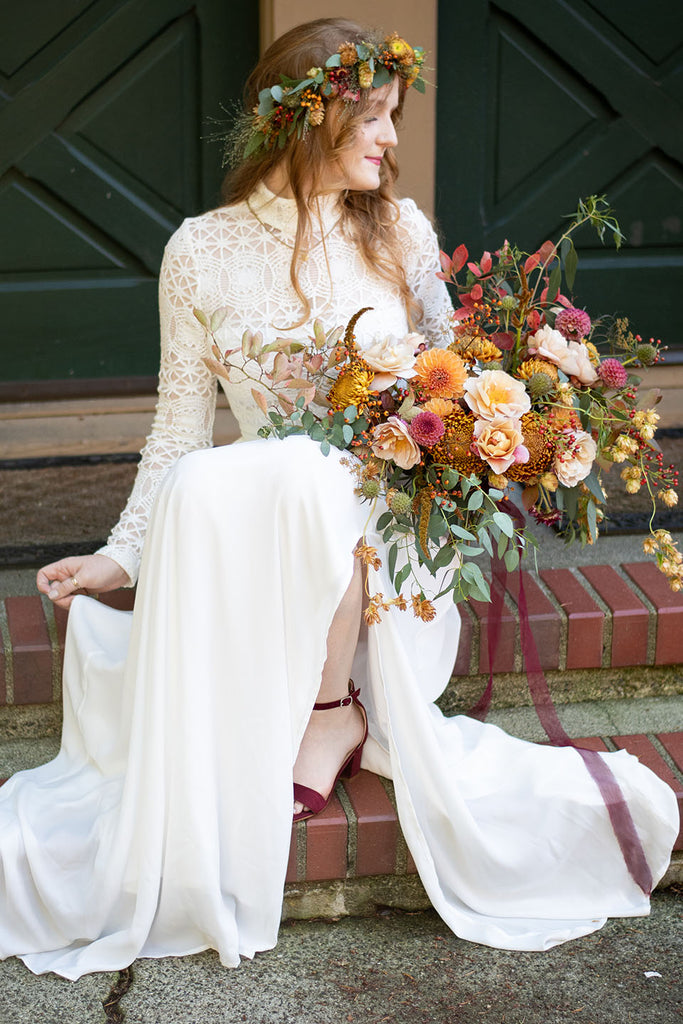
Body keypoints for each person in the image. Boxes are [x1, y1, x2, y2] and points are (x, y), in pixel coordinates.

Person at [0, 18, 677, 980]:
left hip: (387, 552)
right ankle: (315, 699)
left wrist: (521, 418)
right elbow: (179, 432)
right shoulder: (199, 252)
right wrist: (123, 558)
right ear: (308, 120)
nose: (392, 141)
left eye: (394, 120)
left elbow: (466, 374)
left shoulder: (400, 232)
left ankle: (334, 704)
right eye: (374, 120)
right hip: (260, 546)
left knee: (328, 470)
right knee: (259, 470)